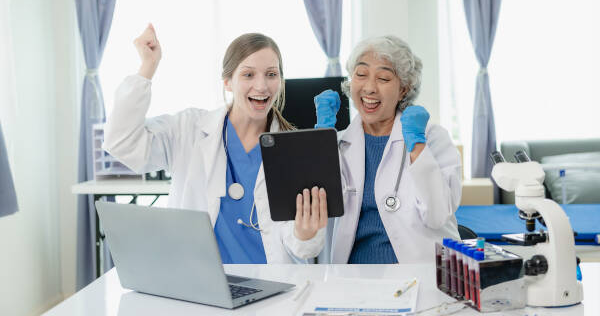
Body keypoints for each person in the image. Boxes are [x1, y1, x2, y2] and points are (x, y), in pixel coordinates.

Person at [103, 24, 326, 264]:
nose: (261, 86)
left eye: (271, 74)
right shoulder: (189, 130)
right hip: (203, 284)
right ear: (227, 82)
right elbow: (122, 143)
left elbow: (303, 250)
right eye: (248, 74)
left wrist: (306, 233)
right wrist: (148, 66)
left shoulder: (296, 150)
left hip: (274, 284)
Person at [289, 35, 461, 263]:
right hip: (351, 277)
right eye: (360, 75)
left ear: (404, 89)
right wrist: (321, 143)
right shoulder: (336, 143)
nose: (369, 88)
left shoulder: (431, 138)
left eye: (383, 78)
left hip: (417, 274)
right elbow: (314, 215)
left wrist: (418, 148)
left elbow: (437, 215)